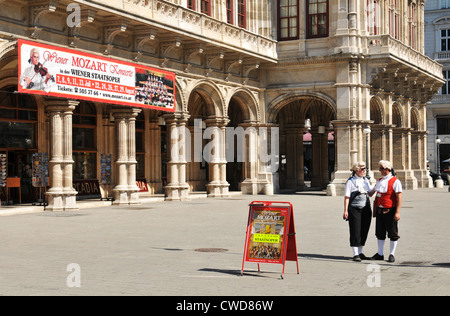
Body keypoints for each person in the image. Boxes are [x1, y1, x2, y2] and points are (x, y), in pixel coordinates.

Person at [371, 160, 402, 263]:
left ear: (387, 169)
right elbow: (372, 192)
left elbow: (399, 197)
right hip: (380, 211)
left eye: (381, 168)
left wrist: (397, 212)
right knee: (380, 232)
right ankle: (380, 253)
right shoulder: (379, 180)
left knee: (392, 233)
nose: (379, 170)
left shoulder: (395, 181)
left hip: (390, 210)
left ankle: (392, 254)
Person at [343, 161, 373, 262]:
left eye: (365, 168)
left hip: (366, 208)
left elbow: (370, 194)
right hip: (354, 208)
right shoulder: (351, 181)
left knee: (364, 229)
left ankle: (360, 252)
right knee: (355, 230)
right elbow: (347, 197)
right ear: (357, 170)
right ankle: (355, 253)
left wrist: (378, 187)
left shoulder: (366, 180)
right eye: (362, 169)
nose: (364, 171)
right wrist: (345, 210)